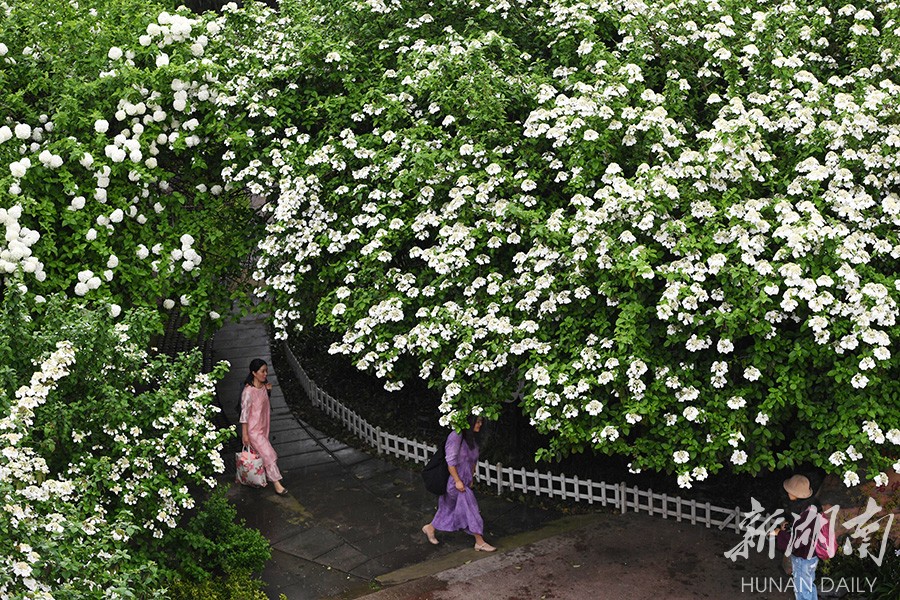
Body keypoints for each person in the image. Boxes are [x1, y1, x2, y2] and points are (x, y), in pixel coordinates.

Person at [422, 415, 495, 551]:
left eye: (481, 422)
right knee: (471, 509)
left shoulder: (472, 438)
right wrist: (457, 481)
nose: (479, 424)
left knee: (447, 508)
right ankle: (479, 541)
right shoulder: (456, 436)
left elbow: (473, 461)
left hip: (465, 481)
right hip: (455, 483)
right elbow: (450, 461)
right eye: (477, 421)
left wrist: (471, 478)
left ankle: (430, 527)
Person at [239, 358, 287, 495]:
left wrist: (269, 392)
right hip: (253, 431)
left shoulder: (264, 387)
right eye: (262, 371)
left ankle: (255, 478)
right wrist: (245, 434)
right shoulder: (248, 392)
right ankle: (277, 484)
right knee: (269, 454)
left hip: (263, 427)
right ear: (254, 373)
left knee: (260, 455)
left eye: (266, 371)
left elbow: (262, 406)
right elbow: (244, 414)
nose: (265, 374)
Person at [775, 474, 822, 600]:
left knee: (802, 590)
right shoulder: (811, 507)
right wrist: (789, 525)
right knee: (808, 586)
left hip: (803, 558)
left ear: (794, 493)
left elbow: (797, 541)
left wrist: (779, 533)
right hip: (811, 555)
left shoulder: (805, 514)